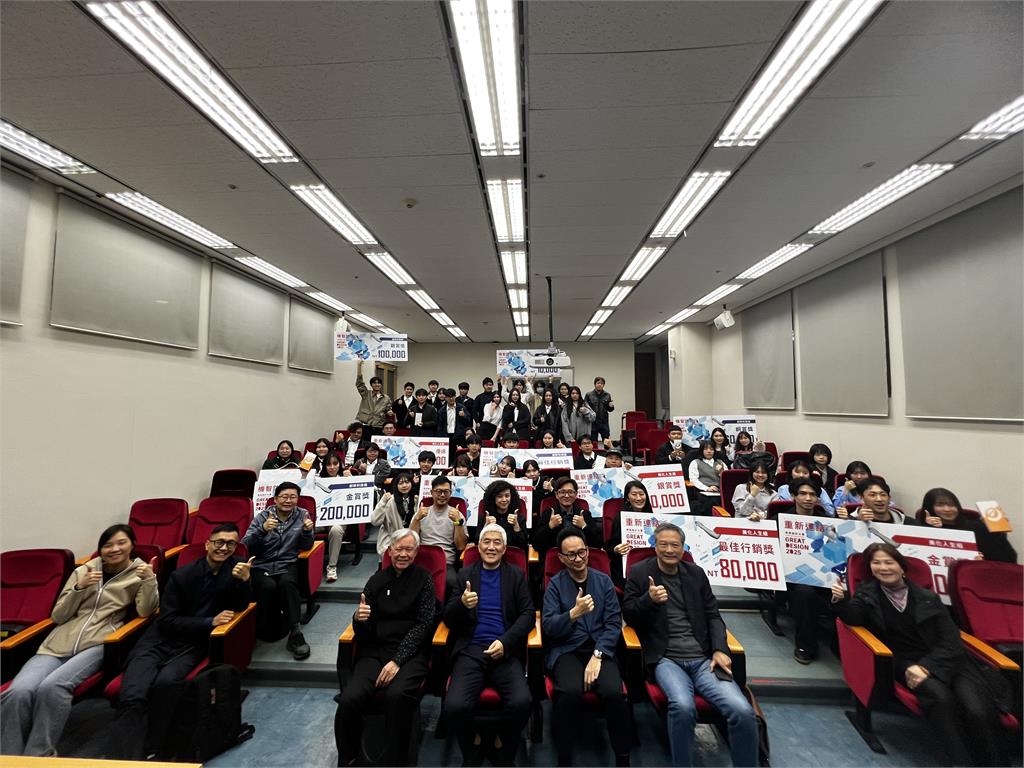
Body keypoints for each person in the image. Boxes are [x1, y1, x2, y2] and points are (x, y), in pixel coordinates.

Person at [831, 542, 1007, 766]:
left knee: (977, 708)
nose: (883, 567)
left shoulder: (927, 597)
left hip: (949, 661)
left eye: (889, 562)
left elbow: (951, 640)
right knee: (941, 698)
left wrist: (928, 666)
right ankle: (960, 761)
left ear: (901, 566)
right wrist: (840, 600)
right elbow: (853, 618)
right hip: (904, 662)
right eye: (876, 563)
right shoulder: (867, 594)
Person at [89, 523, 252, 761]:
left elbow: (240, 606)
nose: (224, 548)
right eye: (219, 542)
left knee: (166, 685)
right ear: (207, 544)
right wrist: (209, 621)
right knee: (133, 694)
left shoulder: (236, 570)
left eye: (231, 544)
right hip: (158, 641)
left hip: (191, 645)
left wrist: (244, 582)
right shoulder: (183, 575)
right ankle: (122, 758)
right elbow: (167, 620)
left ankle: (155, 750)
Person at [1, 525, 158, 757]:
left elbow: (146, 611)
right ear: (100, 549)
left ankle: (39, 755)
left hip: (98, 642)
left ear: (132, 545)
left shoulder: (139, 573)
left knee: (53, 687)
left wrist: (149, 580)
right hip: (56, 644)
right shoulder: (85, 571)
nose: (114, 549)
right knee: (18, 691)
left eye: (121, 543)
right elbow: (59, 616)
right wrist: (78, 588)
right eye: (107, 545)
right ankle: (9, 756)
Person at [623, 523, 758, 768]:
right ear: (655, 546)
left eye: (675, 545)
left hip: (704, 658)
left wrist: (720, 649)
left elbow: (713, 615)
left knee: (741, 710)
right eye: (663, 544)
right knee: (683, 707)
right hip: (666, 659)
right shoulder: (639, 572)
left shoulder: (696, 574)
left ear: (683, 548)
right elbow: (629, 615)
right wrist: (649, 600)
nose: (669, 550)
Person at [335, 529, 438, 768]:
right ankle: (348, 759)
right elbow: (365, 629)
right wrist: (358, 619)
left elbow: (424, 625)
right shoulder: (376, 580)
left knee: (396, 695)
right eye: (398, 549)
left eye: (408, 549)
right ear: (389, 551)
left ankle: (395, 760)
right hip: (374, 652)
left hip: (411, 654)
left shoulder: (424, 580)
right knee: (349, 699)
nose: (403, 554)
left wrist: (397, 661)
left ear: (416, 552)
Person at [444, 524, 534, 766]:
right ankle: (473, 744)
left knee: (522, 703)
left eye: (497, 542)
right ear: (478, 546)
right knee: (454, 706)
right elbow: (448, 618)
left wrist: (506, 642)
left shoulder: (516, 575)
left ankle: (501, 742)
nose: (491, 547)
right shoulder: (465, 575)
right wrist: (462, 604)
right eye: (486, 541)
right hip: (471, 650)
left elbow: (528, 614)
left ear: (504, 549)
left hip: (505, 651)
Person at [542, 530, 632, 767]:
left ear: (588, 552)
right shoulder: (555, 585)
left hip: (600, 649)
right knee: (569, 693)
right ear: (561, 558)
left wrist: (598, 655)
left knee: (614, 694)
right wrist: (573, 614)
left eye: (582, 552)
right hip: (567, 649)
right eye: (571, 555)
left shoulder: (603, 581)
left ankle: (623, 757)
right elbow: (549, 626)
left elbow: (613, 623)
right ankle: (564, 757)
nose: (578, 558)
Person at [242, 482, 314, 658]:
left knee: (288, 584)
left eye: (293, 497)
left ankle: (295, 633)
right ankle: (265, 625)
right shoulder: (262, 517)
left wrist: (307, 532)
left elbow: (307, 546)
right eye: (284, 497)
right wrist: (262, 530)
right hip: (261, 564)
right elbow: (245, 545)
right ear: (275, 499)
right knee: (267, 587)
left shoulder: (302, 515)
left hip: (287, 563)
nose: (288, 500)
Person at [784, 478, 835, 663]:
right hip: (793, 579)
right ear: (793, 496)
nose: (808, 498)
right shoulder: (781, 520)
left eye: (813, 495)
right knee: (805, 593)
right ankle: (806, 646)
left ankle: (842, 645)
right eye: (803, 494)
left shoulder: (828, 522)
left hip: (825, 575)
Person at [919, 487, 1017, 563]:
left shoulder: (978, 527)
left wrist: (998, 533)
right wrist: (929, 529)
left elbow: (1008, 559)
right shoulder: (921, 530)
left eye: (951, 505)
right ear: (929, 508)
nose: (947, 509)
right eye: (940, 505)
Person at [410, 475, 468, 598]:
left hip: (446, 562)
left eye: (446, 492)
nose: (442, 495)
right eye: (438, 491)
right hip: (423, 559)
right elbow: (411, 541)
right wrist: (416, 519)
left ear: (450, 493)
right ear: (431, 492)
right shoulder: (421, 512)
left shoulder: (457, 514)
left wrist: (457, 522)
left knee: (452, 583)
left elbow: (461, 546)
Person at [532, 477, 602, 557]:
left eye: (570, 492)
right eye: (562, 492)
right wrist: (549, 526)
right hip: (556, 558)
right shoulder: (548, 514)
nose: (566, 495)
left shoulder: (584, 514)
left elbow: (598, 544)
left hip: (580, 559)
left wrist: (584, 526)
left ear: (576, 494)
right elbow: (536, 545)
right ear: (556, 495)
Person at [605, 480, 651, 589]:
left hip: (649, 564)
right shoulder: (621, 518)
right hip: (627, 568)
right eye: (634, 494)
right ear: (627, 498)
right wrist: (616, 549)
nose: (638, 498)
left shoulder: (653, 519)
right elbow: (609, 546)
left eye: (641, 494)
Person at [472, 480, 528, 551]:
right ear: (493, 498)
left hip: (512, 555)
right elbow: (477, 545)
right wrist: (486, 528)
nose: (504, 499)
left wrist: (516, 526)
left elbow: (524, 547)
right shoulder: (485, 518)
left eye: (507, 496)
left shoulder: (518, 518)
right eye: (499, 496)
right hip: (491, 554)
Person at [372, 473, 418, 555]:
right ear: (396, 485)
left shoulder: (416, 500)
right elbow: (375, 521)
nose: (404, 485)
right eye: (400, 483)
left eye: (407, 482)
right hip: (391, 541)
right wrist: (382, 502)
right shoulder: (389, 501)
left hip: (410, 540)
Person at [770, 460, 835, 515]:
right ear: (791, 473)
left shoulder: (819, 489)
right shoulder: (784, 489)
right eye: (797, 472)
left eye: (805, 473)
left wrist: (818, 503)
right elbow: (783, 510)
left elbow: (831, 512)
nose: (801, 475)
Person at [838, 477, 907, 524]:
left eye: (883, 495)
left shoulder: (904, 521)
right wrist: (858, 522)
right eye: (872, 495)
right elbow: (840, 538)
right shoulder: (849, 520)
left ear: (889, 498)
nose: (879, 499)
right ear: (862, 498)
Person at [687, 440, 725, 516]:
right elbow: (693, 480)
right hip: (703, 491)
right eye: (706, 449)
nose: (709, 451)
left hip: (720, 491)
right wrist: (707, 488)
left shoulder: (720, 462)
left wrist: (721, 472)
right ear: (701, 451)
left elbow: (727, 479)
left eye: (711, 449)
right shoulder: (695, 462)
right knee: (711, 502)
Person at [355, 360, 392, 435]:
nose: (377, 385)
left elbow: (388, 409)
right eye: (374, 383)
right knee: (366, 442)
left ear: (381, 385)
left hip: (379, 426)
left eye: (378, 383)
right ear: (371, 385)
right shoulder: (366, 394)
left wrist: (389, 412)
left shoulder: (386, 398)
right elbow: (359, 384)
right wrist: (359, 367)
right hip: (366, 425)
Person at [584, 377, 615, 442]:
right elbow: (585, 408)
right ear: (595, 384)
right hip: (593, 422)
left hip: (604, 422)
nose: (600, 385)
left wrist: (611, 406)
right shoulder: (589, 395)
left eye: (601, 383)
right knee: (593, 442)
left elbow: (610, 410)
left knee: (606, 441)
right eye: (598, 383)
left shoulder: (607, 395)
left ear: (604, 385)